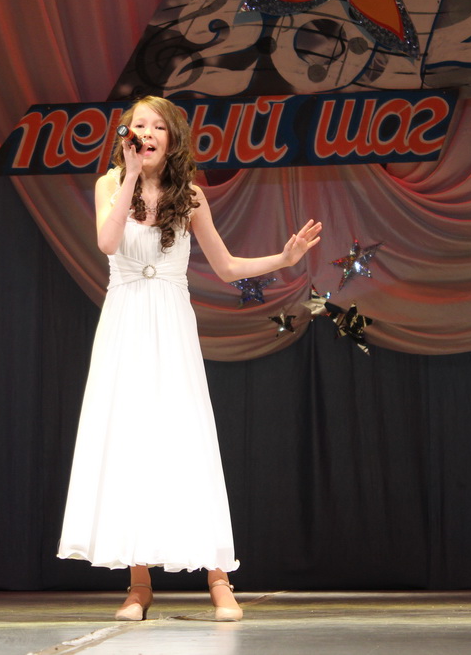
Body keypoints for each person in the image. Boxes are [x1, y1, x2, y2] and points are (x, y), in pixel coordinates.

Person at [56, 96, 322, 622]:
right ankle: (138, 584)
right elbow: (107, 243)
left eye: (157, 126)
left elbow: (226, 266)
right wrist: (131, 177)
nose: (147, 133)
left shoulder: (191, 196)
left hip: (172, 324)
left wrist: (285, 257)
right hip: (125, 323)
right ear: (127, 137)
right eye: (139, 126)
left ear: (172, 138)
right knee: (130, 443)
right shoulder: (110, 184)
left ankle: (219, 578)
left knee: (186, 440)